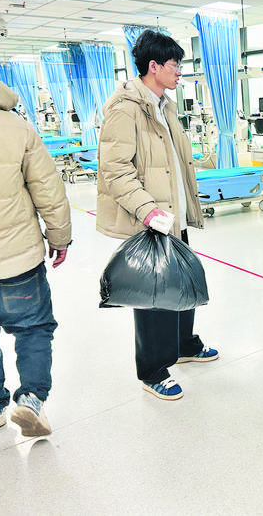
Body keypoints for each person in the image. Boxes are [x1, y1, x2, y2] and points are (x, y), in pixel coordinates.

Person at [96, 30, 218, 401]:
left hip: (173, 216)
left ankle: (183, 344)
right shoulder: (126, 109)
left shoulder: (164, 106)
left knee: (182, 284)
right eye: (174, 65)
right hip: (151, 218)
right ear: (154, 66)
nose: (180, 71)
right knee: (154, 297)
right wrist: (148, 211)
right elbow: (115, 170)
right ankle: (153, 371)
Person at [0, 72, 72, 437]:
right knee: (33, 328)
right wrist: (60, 237)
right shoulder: (17, 128)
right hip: (17, 257)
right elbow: (48, 189)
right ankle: (32, 398)